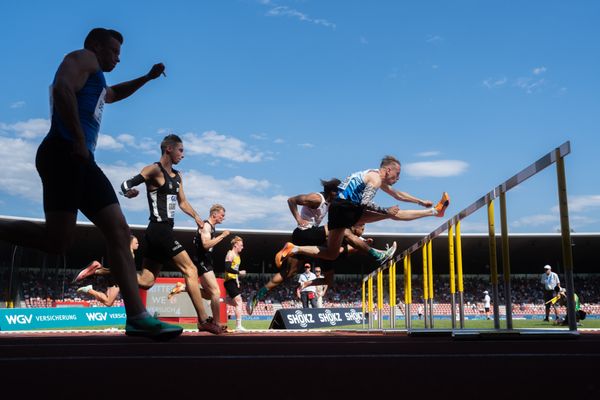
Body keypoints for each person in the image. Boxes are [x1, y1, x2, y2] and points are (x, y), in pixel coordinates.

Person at [0, 28, 181, 340]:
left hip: (79, 158)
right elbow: (61, 88)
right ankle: (137, 316)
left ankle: (137, 317)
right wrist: (80, 138)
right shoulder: (82, 58)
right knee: (72, 239)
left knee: (104, 234)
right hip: (66, 151)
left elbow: (113, 94)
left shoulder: (96, 80)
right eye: (113, 52)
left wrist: (147, 78)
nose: (117, 59)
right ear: (96, 46)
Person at [119, 134, 221, 334]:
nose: (183, 155)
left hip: (161, 232)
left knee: (146, 282)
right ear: (169, 149)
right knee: (190, 270)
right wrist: (129, 193)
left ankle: (106, 271)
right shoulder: (153, 170)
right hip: (159, 229)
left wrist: (197, 217)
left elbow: (182, 202)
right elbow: (125, 185)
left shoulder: (177, 176)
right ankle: (203, 320)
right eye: (180, 150)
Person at [275, 155, 450, 269]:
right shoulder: (374, 179)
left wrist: (420, 201)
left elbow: (398, 194)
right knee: (393, 214)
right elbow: (366, 203)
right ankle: (436, 211)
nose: (398, 178)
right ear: (388, 170)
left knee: (331, 253)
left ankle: (294, 249)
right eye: (397, 174)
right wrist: (385, 210)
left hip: (337, 209)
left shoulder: (371, 174)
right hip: (346, 208)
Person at [245, 179, 373, 315]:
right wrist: (298, 219)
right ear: (332, 192)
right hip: (303, 233)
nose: (341, 196)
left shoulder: (331, 202)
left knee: (290, 273)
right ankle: (373, 252)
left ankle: (257, 295)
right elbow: (291, 200)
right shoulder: (317, 198)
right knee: (338, 230)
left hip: (309, 238)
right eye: (339, 192)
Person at [166, 204, 231, 331]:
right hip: (202, 261)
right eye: (222, 215)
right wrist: (222, 236)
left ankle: (184, 287)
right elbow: (206, 245)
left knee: (209, 294)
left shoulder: (210, 227)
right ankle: (217, 323)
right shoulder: (206, 226)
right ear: (214, 214)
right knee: (216, 292)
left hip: (205, 260)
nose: (223, 218)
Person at [75, 235, 139, 307]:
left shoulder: (125, 252)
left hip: (114, 277)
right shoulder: (129, 254)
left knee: (107, 300)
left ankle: (97, 271)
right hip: (117, 279)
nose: (138, 245)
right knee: (108, 302)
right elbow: (122, 267)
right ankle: (89, 289)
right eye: (136, 243)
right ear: (130, 243)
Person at [222, 236, 247, 331]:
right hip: (228, 281)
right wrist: (239, 273)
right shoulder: (230, 254)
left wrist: (237, 281)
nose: (242, 247)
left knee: (235, 303)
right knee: (239, 301)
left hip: (233, 281)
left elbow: (234, 269)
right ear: (235, 245)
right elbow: (227, 268)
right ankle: (238, 326)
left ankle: (219, 300)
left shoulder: (238, 257)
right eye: (241, 245)